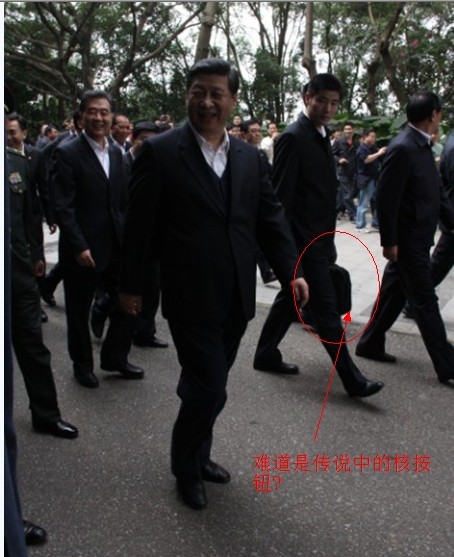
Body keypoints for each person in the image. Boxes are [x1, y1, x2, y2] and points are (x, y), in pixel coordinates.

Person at [119, 58, 309, 510]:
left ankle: (199, 453)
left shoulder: (249, 157)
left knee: (207, 383)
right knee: (210, 386)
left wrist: (292, 270)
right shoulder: (160, 152)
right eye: (198, 92)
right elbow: (138, 227)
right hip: (188, 294)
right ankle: (186, 467)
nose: (207, 102)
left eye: (216, 94)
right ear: (187, 95)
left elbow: (270, 219)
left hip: (237, 295)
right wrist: (130, 286)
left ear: (232, 100)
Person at [253, 73, 384, 399]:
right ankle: (352, 380)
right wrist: (287, 256)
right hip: (303, 242)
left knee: (292, 298)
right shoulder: (292, 137)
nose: (328, 108)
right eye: (322, 100)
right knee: (325, 309)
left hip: (320, 239)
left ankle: (265, 353)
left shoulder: (321, 135)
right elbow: (281, 201)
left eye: (334, 103)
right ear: (306, 98)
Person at [356, 91, 454, 385]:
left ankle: (370, 342)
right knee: (425, 301)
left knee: (393, 293)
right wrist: (389, 241)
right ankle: (448, 365)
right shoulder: (403, 147)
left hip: (420, 235)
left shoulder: (421, 145)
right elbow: (386, 199)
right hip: (407, 240)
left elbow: (436, 192)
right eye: (440, 113)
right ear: (433, 114)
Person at [51, 90, 144, 388]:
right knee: (78, 312)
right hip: (82, 249)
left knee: (128, 301)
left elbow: (123, 200)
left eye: (104, 112)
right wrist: (79, 245)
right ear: (81, 117)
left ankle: (115, 357)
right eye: (92, 111)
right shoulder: (67, 152)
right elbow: (63, 206)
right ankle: (82, 365)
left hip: (116, 244)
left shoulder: (116, 153)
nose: (99, 117)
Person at [7, 145, 78, 438]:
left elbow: (29, 214)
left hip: (18, 272)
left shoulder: (15, 162)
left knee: (33, 346)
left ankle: (46, 415)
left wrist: (37, 253)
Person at [355, 129, 387, 233]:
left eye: (374, 137)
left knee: (377, 201)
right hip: (366, 179)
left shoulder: (372, 147)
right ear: (365, 137)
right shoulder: (362, 149)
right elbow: (366, 160)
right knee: (363, 203)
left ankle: (376, 222)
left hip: (374, 178)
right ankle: (360, 226)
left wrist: (381, 151)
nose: (374, 139)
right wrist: (378, 153)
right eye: (371, 136)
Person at [332, 122, 358, 221]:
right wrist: (339, 160)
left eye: (349, 129)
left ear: (353, 130)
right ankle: (353, 214)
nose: (348, 131)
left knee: (344, 194)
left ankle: (335, 211)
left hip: (353, 171)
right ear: (343, 131)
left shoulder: (356, 142)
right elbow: (332, 154)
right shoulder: (339, 141)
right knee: (347, 194)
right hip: (343, 171)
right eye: (346, 129)